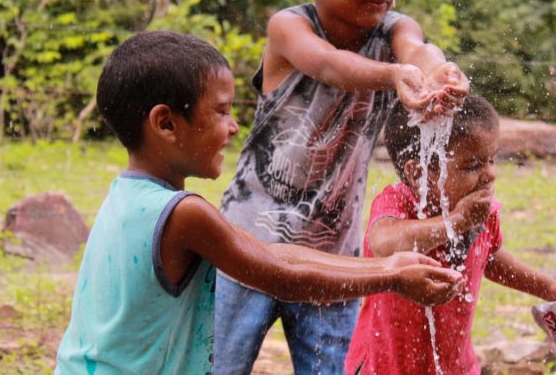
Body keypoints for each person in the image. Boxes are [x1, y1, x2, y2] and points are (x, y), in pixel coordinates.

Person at [53, 31, 464, 375]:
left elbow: (274, 253)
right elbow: (280, 273)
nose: (233, 127)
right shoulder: (184, 213)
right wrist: (389, 276)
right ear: (165, 124)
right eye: (221, 112)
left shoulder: (125, 196)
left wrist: (390, 265)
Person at [215, 0, 470, 373]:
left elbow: (418, 49)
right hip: (248, 250)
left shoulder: (395, 30)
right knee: (217, 365)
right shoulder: (289, 28)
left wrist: (439, 70)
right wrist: (396, 75)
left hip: (335, 259)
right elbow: (329, 64)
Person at [344, 94, 556, 375]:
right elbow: (383, 244)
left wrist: (547, 288)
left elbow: (490, 257)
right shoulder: (398, 203)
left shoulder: (481, 213)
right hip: (386, 366)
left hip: (456, 366)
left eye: (491, 160)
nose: (490, 174)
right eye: (472, 166)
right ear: (418, 173)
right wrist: (455, 221)